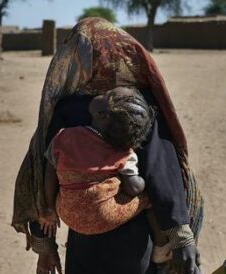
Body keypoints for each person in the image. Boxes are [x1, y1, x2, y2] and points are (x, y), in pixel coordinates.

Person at [12, 18, 204, 274]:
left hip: (86, 246)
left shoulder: (66, 111)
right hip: (134, 245)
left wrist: (46, 246)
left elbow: (42, 179)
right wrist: (181, 233)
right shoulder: (139, 105)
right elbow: (164, 170)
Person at [39, 87, 158, 237]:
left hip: (65, 212)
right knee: (148, 200)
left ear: (102, 114)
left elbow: (50, 172)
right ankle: (162, 244)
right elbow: (132, 189)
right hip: (103, 217)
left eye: (105, 94)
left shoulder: (64, 136)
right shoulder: (124, 153)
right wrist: (141, 183)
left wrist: (49, 207)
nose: (99, 93)